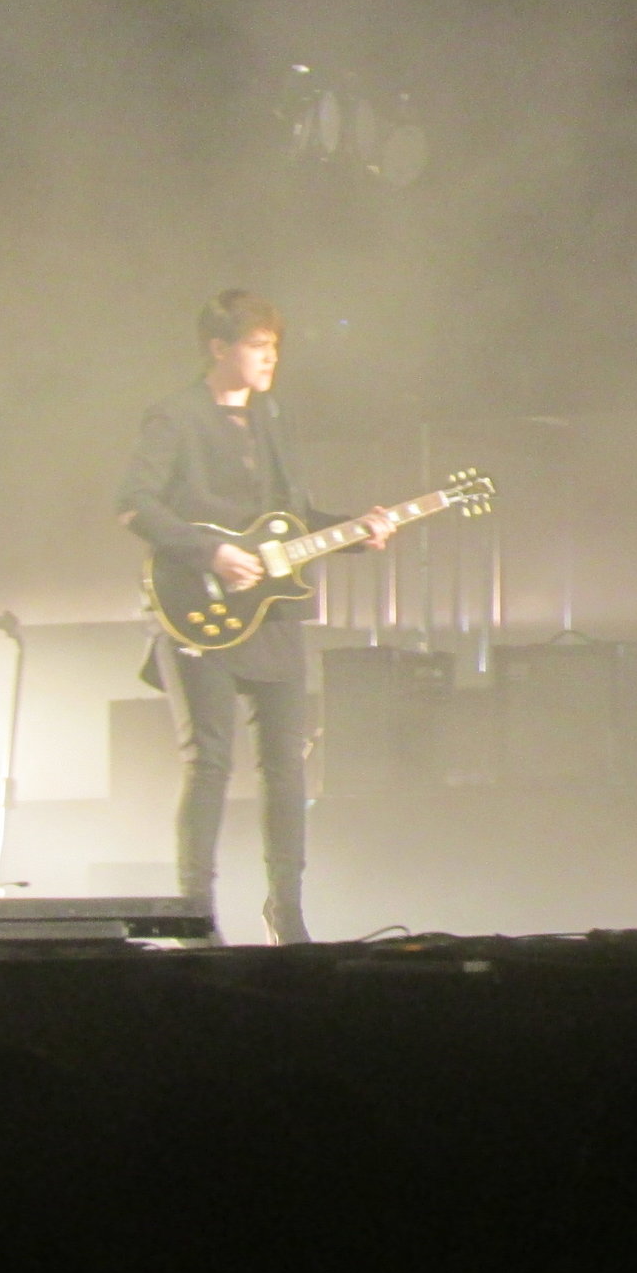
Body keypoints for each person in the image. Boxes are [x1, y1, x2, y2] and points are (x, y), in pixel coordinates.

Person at [116, 290, 392, 943]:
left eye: (275, 346)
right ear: (219, 348)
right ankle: (194, 914)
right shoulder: (174, 416)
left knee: (287, 763)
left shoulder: (273, 417)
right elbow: (133, 504)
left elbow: (291, 518)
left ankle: (286, 911)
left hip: (270, 615)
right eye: (258, 346)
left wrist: (359, 531)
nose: (271, 358)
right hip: (195, 607)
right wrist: (211, 549)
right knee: (209, 760)